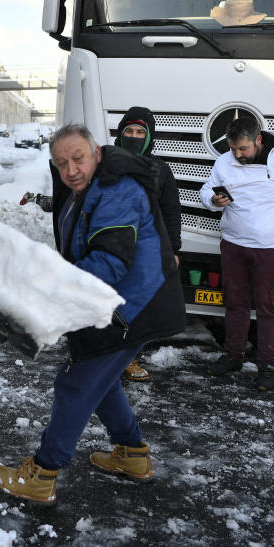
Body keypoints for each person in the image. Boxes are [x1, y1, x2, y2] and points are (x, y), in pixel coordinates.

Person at [0, 123, 185, 504]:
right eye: (61, 164)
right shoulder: (89, 187)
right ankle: (132, 455)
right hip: (116, 302)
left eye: (77, 158)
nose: (71, 170)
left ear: (96, 152)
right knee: (101, 379)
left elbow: (109, 262)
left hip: (129, 307)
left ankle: (43, 474)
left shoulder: (116, 189)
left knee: (75, 384)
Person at [200, 116, 274, 391]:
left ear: (259, 140)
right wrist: (213, 201)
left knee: (269, 308)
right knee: (235, 303)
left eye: (244, 149)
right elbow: (206, 190)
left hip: (271, 247)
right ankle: (233, 356)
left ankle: (267, 365)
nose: (238, 155)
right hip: (233, 243)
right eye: (233, 149)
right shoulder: (223, 161)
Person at [115, 107, 182, 382]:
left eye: (140, 132)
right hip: (109, 247)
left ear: (149, 136)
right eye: (129, 131)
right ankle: (99, 354)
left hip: (144, 249)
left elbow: (170, 211)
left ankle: (127, 358)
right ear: (120, 134)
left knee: (137, 307)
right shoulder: (105, 162)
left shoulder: (160, 170)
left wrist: (173, 250)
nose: (134, 136)